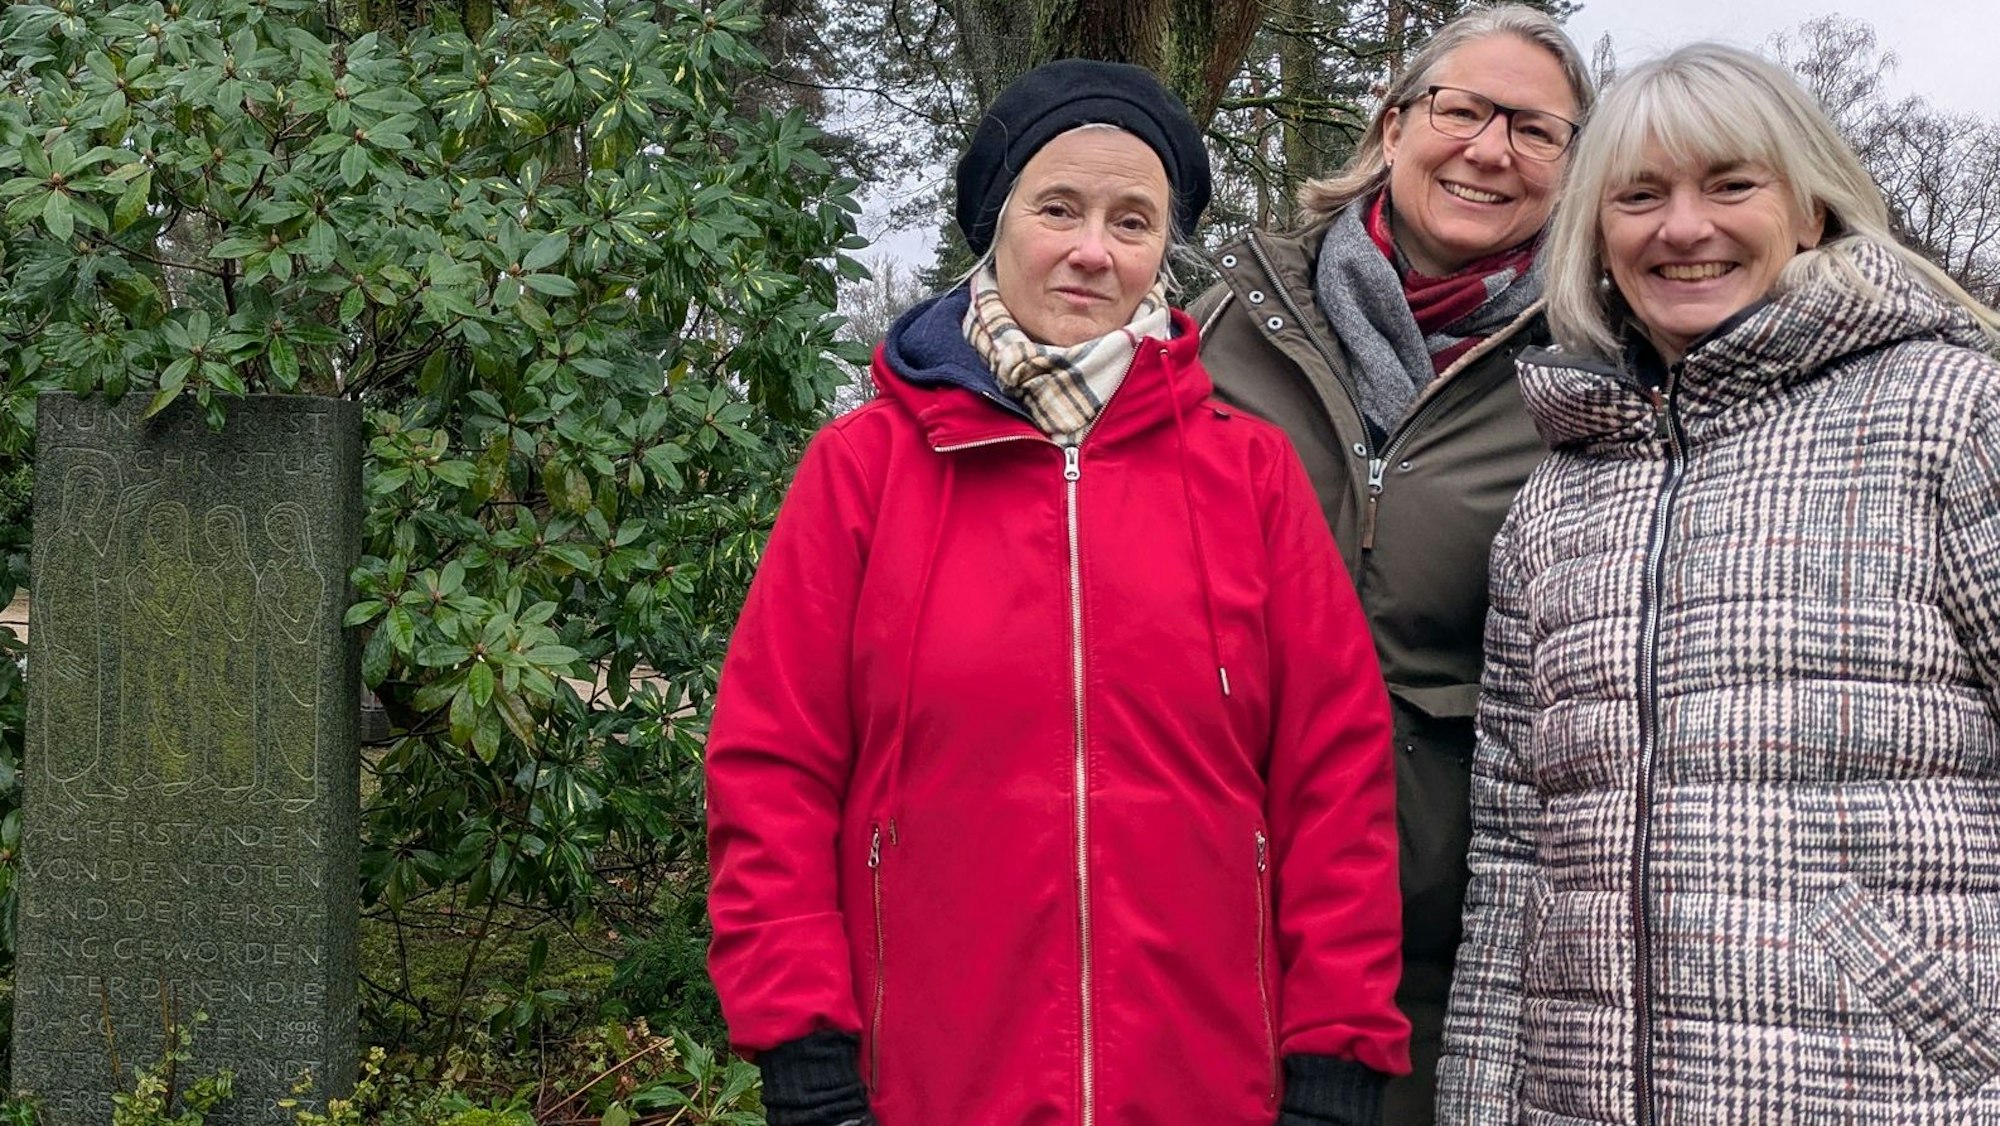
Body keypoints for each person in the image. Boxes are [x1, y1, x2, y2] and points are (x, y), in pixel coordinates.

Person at [705, 59, 1410, 1126]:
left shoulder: (1248, 474)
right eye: (1058, 208)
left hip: (1207, 1077)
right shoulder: (864, 468)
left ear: (1161, 252)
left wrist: (1337, 1045)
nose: (1092, 249)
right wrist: (797, 1035)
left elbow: (1333, 781)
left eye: (1132, 221)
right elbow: (772, 767)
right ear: (996, 225)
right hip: (928, 1079)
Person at [1436, 42, 2000, 1123]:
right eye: (1637, 196)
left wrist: (1941, 1012)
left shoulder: (1950, 415)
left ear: (1809, 208)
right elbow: (1512, 857)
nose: (1681, 227)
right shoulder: (1555, 499)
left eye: (1729, 184)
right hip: (1579, 1092)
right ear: (1596, 236)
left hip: (1891, 1084)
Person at [1191, 8, 1593, 1121]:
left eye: (1533, 129)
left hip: (1445, 942)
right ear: (1391, 125)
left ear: (1572, 169)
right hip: (1195, 906)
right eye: (1460, 110)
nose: (1487, 148)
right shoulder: (1220, 322)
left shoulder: (1599, 367)